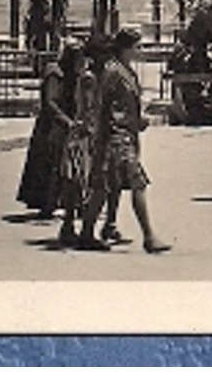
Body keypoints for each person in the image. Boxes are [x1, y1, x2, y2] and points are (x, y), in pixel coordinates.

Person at [78, 27, 170, 253]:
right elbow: (102, 105)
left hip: (125, 134)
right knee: (137, 183)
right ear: (125, 48)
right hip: (115, 137)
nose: (140, 51)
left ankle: (87, 233)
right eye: (137, 47)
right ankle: (149, 237)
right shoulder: (113, 72)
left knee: (104, 187)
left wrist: (137, 120)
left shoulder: (127, 72)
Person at [15, 46, 72, 218]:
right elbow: (50, 102)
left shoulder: (68, 74)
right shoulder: (54, 73)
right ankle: (46, 204)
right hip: (50, 126)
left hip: (60, 124)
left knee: (59, 165)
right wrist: (66, 121)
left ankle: (56, 202)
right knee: (49, 164)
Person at [56, 41, 97, 248]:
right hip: (84, 133)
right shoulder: (88, 79)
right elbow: (88, 108)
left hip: (76, 133)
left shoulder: (75, 79)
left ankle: (69, 224)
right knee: (83, 178)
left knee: (73, 178)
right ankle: (81, 229)